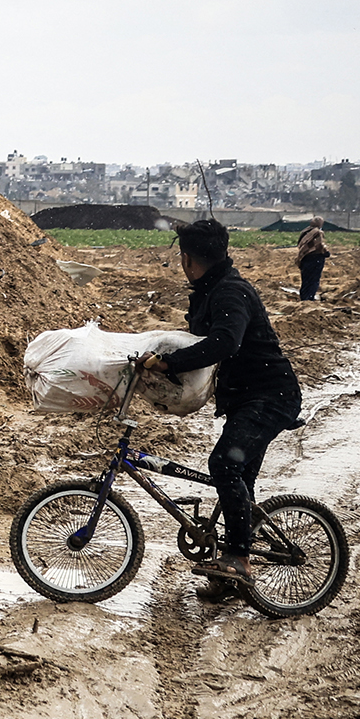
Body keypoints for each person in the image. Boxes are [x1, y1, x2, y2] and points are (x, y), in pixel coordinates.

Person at [137, 220, 304, 596]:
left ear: (186, 259)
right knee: (239, 479)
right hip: (248, 396)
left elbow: (224, 343)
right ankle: (231, 574)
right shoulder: (213, 289)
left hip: (269, 396)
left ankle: (239, 559)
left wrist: (168, 364)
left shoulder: (230, 293)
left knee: (225, 465)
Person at [296, 216, 330, 300]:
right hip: (315, 258)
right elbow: (319, 245)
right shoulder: (318, 232)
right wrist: (326, 253)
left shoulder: (305, 231)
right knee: (314, 280)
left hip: (304, 258)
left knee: (305, 279)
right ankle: (310, 297)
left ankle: (303, 297)